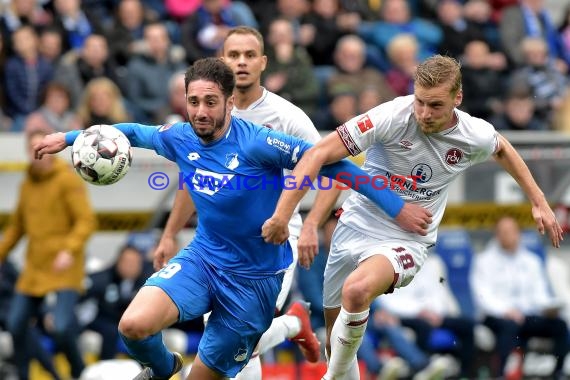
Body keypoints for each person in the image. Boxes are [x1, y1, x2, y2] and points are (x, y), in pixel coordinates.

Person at [33, 57, 431, 380]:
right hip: (203, 260)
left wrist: (397, 208)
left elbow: (336, 166)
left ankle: (286, 327)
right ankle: (163, 366)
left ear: (229, 102)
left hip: (253, 282)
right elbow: (132, 133)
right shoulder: (181, 137)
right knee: (132, 327)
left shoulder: (259, 143)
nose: (200, 112)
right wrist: (68, 138)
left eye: (209, 102)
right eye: (193, 102)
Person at [261, 54, 564, 380]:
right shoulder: (391, 115)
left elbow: (502, 148)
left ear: (456, 99)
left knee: (356, 290)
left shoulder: (472, 134)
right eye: (419, 101)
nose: (423, 113)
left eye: (435, 105)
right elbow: (321, 154)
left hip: (408, 239)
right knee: (338, 347)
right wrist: (287, 215)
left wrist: (538, 201)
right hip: (355, 224)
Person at [152, 26, 339, 379]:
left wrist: (312, 224)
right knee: (226, 344)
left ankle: (289, 326)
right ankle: (293, 324)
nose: (241, 62)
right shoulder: (205, 113)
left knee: (238, 341)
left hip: (273, 243)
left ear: (263, 62)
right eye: (233, 55)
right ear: (220, 61)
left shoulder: (287, 117)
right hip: (218, 245)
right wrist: (168, 235)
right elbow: (193, 179)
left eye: (249, 55)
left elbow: (332, 172)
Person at [0, 130, 97, 380]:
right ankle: (25, 375)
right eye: (34, 148)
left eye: (42, 147)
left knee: (62, 327)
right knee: (16, 323)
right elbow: (17, 228)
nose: (38, 154)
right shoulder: (27, 184)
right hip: (35, 267)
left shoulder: (67, 180)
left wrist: (69, 249)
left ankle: (79, 372)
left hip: (64, 267)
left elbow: (86, 221)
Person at [471, 216, 569, 379]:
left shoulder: (532, 261)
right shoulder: (484, 261)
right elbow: (482, 297)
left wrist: (549, 308)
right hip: (496, 317)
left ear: (518, 234)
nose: (507, 235)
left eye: (510, 232)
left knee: (559, 325)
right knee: (509, 326)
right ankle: (501, 374)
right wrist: (506, 311)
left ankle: (558, 373)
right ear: (496, 235)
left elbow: (539, 294)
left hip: (527, 316)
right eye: (502, 232)